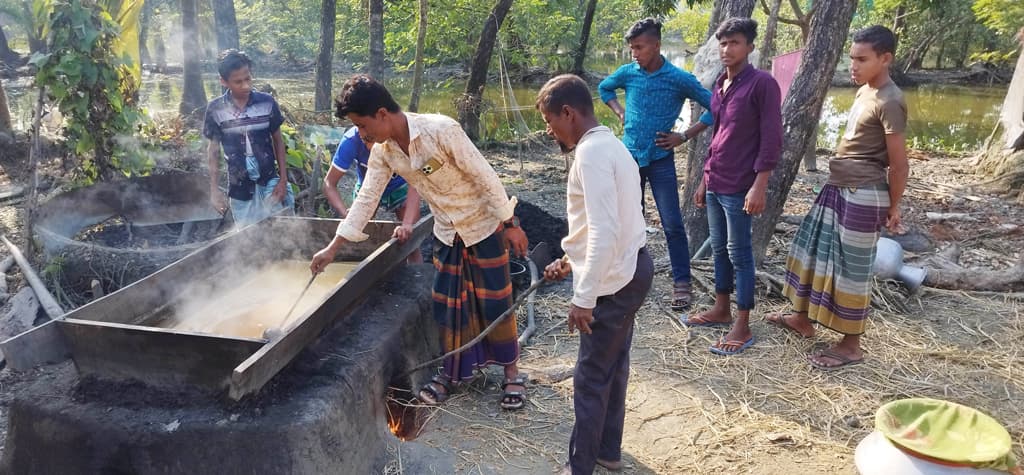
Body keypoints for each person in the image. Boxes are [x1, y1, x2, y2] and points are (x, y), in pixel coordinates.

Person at [309, 75, 530, 409]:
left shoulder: (441, 130)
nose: (362, 135)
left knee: (495, 301)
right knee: (447, 305)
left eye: (363, 126)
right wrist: (333, 247)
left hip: (482, 226)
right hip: (446, 232)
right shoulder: (384, 152)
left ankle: (511, 374)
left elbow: (484, 174)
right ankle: (452, 373)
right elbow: (366, 199)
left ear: (382, 113)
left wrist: (510, 223)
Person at [767, 25, 909, 370]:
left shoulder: (891, 100)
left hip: (864, 193)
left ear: (885, 58)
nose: (854, 67)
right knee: (811, 248)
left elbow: (899, 164)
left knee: (852, 270)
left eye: (862, 59)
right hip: (837, 187)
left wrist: (893, 206)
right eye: (852, 59)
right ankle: (802, 318)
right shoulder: (865, 93)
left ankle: (851, 345)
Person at [538, 75, 653, 475]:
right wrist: (570, 260)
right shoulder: (612, 145)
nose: (551, 131)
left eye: (551, 122)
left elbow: (605, 230)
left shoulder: (590, 154)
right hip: (633, 267)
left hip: (616, 281)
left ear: (568, 112)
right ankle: (608, 451)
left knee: (589, 378)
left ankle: (580, 466)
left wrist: (583, 298)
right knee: (613, 365)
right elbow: (604, 225)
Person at [598, 18, 713, 312]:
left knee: (672, 223)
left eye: (640, 47)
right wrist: (620, 111)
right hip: (629, 159)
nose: (634, 53)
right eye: (632, 48)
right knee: (628, 220)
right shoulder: (629, 73)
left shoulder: (678, 78)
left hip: (661, 161)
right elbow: (604, 88)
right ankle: (628, 278)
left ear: (657, 45)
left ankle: (682, 284)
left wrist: (684, 135)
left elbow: (717, 107)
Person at [684, 18, 782, 356]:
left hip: (742, 185)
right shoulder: (719, 84)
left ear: (750, 47)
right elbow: (717, 136)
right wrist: (703, 179)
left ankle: (742, 323)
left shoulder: (762, 84)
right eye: (723, 43)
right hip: (716, 180)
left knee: (740, 254)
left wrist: (760, 185)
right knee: (721, 251)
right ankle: (721, 308)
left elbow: (772, 139)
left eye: (735, 43)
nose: (727, 50)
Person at [204, 49, 294, 227]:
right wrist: (214, 191)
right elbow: (213, 151)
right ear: (224, 81)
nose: (245, 86)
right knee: (248, 241)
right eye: (238, 82)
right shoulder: (216, 109)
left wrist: (283, 180)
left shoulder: (266, 102)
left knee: (281, 232)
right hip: (240, 187)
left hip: (269, 180)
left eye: (248, 79)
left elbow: (278, 140)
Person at [324, 126, 423, 263]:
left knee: (410, 238)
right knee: (355, 229)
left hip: (400, 185)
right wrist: (346, 214)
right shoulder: (350, 141)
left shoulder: (403, 137)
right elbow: (329, 182)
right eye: (368, 142)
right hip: (367, 187)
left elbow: (417, 181)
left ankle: (417, 275)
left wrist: (407, 224)